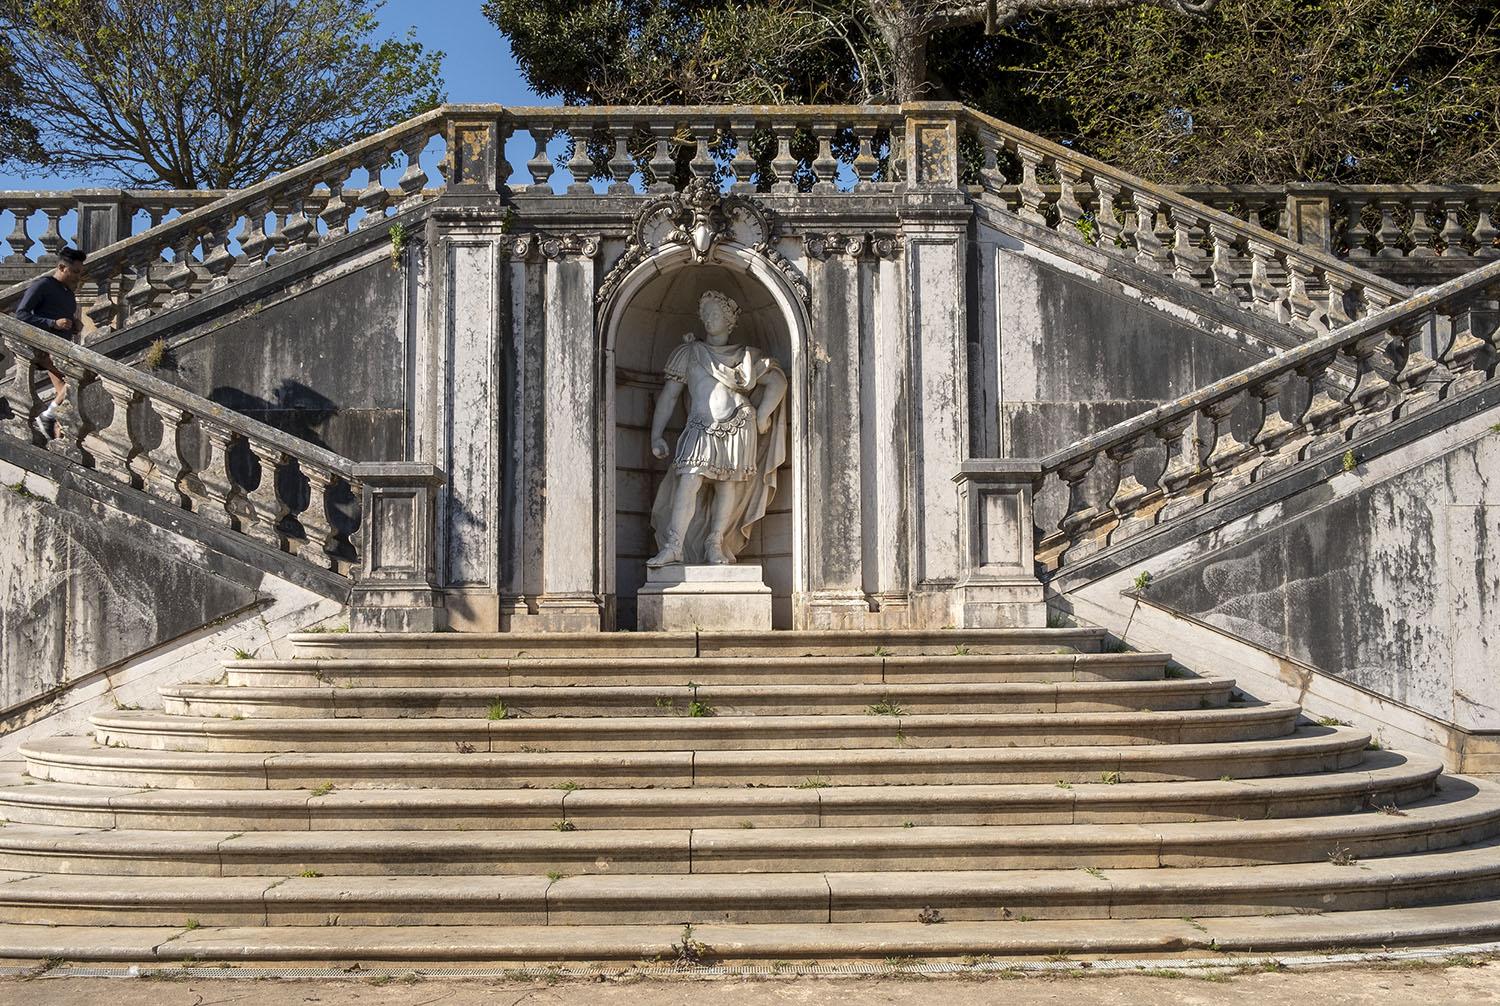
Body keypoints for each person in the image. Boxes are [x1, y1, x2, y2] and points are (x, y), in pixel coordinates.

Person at [647, 289, 788, 567]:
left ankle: (716, 543)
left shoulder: (745, 356)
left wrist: (761, 415)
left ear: (729, 320)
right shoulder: (689, 352)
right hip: (700, 425)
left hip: (739, 423)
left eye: (715, 314)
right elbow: (669, 396)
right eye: (705, 314)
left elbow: (777, 381)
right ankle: (674, 545)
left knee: (728, 486)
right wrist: (656, 434)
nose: (709, 319)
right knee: (688, 482)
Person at [15, 246, 86, 439]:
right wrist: (52, 323)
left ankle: (55, 428)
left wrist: (74, 324)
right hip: (43, 348)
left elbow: (63, 320)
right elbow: (20, 315)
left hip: (61, 349)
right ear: (62, 267)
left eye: (80, 272)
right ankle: (48, 415)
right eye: (75, 272)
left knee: (67, 389)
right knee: (77, 379)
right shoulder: (42, 285)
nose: (78, 277)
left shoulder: (69, 294)